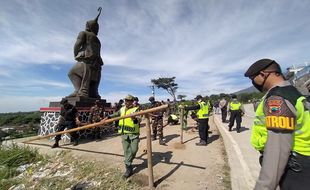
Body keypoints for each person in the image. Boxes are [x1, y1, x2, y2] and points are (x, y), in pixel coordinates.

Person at [244, 58, 310, 190]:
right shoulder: (292, 92)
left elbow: (277, 150)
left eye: (253, 78)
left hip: (295, 167)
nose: (253, 83)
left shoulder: (277, 98)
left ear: (263, 75)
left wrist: (263, 186)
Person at [67, 7, 103, 98]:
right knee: (92, 83)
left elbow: (77, 44)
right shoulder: (98, 40)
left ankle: (79, 91)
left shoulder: (83, 33)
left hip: (86, 62)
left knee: (72, 72)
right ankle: (93, 93)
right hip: (97, 66)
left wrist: (75, 54)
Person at [102, 95, 141, 178]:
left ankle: (128, 161)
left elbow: (138, 121)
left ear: (132, 101)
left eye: (128, 100)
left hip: (133, 133)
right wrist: (107, 117)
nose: (126, 102)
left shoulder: (136, 109)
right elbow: (116, 114)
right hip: (124, 133)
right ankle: (128, 167)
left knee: (134, 150)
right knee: (126, 151)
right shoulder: (122, 109)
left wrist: (133, 118)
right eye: (125, 100)